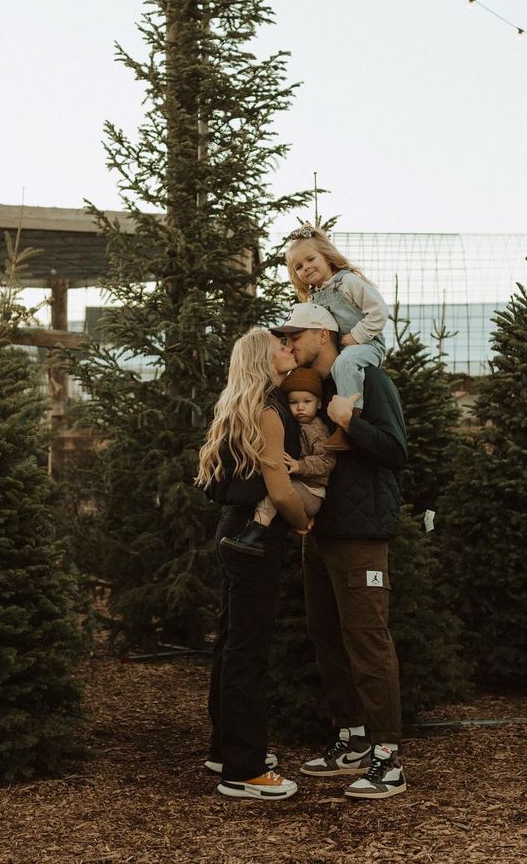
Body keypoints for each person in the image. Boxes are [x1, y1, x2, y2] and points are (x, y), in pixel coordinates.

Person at [271, 301, 409, 800]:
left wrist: (348, 422)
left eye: (296, 336)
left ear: (324, 335)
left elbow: (396, 451)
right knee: (325, 634)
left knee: (368, 640)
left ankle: (388, 758)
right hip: (320, 531)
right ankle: (350, 739)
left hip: (362, 535)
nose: (290, 345)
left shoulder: (370, 381)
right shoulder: (313, 389)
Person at [195, 327, 309, 801]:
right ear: (266, 359)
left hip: (234, 532)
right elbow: (279, 488)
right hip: (255, 538)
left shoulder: (241, 404)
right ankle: (244, 770)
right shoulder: (268, 410)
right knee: (249, 650)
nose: (290, 350)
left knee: (232, 641)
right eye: (282, 346)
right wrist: (303, 522)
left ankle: (226, 749)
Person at [285, 223, 389, 451]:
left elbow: (379, 311)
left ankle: (350, 420)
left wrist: (356, 336)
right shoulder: (314, 298)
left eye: (311, 259)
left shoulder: (348, 282)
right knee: (335, 366)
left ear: (327, 256)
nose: (306, 268)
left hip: (368, 344)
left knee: (345, 362)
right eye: (299, 266)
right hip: (344, 349)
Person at [220, 366, 336, 556]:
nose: (300, 408)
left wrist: (300, 466)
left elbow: (327, 460)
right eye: (293, 402)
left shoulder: (317, 430)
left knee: (275, 493)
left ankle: (256, 533)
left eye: (307, 402)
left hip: (312, 491)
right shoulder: (294, 425)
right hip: (301, 487)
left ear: (319, 404)